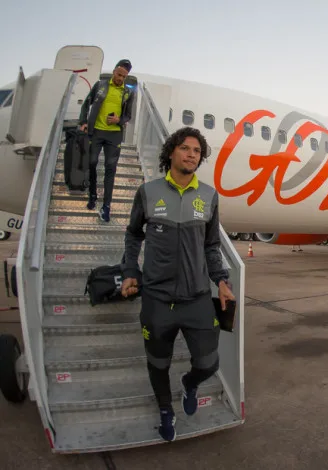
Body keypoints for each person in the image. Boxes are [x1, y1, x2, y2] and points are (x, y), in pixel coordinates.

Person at [121, 127, 236, 442]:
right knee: (158, 363)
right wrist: (130, 269)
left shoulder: (209, 196)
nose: (191, 154)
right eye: (185, 148)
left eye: (197, 151)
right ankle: (164, 409)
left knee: (209, 363)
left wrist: (222, 280)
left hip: (197, 298)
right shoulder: (148, 192)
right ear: (171, 152)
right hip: (157, 300)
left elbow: (212, 246)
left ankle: (189, 383)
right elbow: (133, 234)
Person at [78, 59, 135, 222]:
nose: (120, 79)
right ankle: (93, 194)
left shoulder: (128, 93)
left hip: (114, 135)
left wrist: (119, 120)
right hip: (96, 132)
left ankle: (106, 207)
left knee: (111, 169)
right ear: (114, 72)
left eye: (124, 77)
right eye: (119, 75)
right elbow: (86, 104)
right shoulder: (100, 85)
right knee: (92, 162)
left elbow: (128, 115)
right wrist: (83, 122)